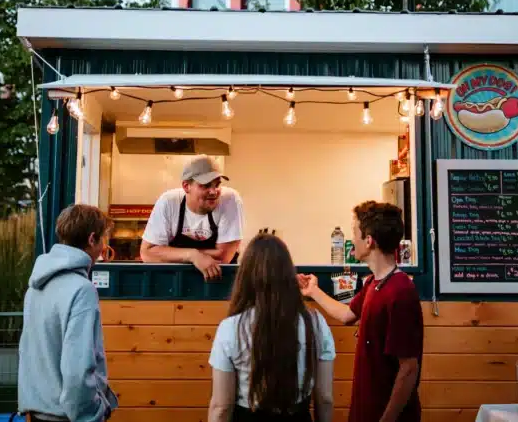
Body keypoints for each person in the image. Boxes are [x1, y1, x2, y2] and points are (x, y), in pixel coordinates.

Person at [298, 201, 423, 422]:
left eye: (355, 232)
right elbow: (347, 315)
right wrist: (313, 291)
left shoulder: (400, 292)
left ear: (369, 240)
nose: (352, 240)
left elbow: (409, 368)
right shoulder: (374, 283)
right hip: (365, 410)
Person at [208, 233, 336, 422]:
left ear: (246, 276)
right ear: (288, 273)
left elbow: (221, 406)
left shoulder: (231, 328)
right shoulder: (315, 322)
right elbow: (324, 399)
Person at [18, 203, 118, 422]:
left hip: (36, 412)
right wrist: (93, 414)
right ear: (92, 239)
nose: (103, 247)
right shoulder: (82, 290)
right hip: (69, 416)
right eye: (103, 240)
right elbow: (78, 368)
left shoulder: (35, 286)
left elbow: (28, 352)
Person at [140, 155, 245, 280]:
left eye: (217, 184)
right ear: (186, 186)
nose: (213, 191)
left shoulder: (230, 200)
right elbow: (147, 254)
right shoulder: (169, 202)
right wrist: (192, 255)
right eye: (205, 185)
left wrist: (168, 253)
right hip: (173, 281)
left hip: (219, 280)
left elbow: (223, 257)